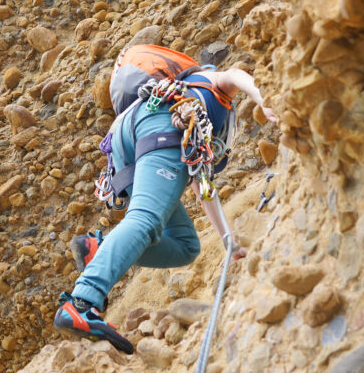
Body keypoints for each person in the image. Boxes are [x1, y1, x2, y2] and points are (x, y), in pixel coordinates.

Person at [53, 63, 277, 353]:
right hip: (159, 127)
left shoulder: (187, 113)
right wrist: (265, 99)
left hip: (130, 137)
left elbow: (203, 190)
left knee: (185, 246)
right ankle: (81, 303)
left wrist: (229, 243)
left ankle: (99, 248)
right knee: (145, 219)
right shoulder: (205, 83)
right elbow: (234, 74)